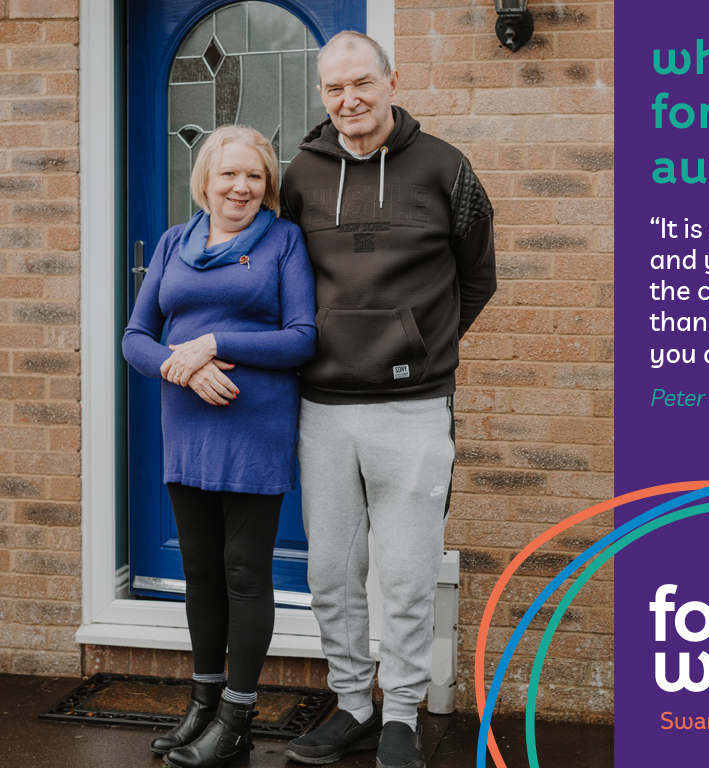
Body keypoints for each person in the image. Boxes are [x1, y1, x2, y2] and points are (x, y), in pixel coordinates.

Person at [279, 30, 496, 768]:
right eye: (334, 89)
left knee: (405, 573)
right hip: (323, 409)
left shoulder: (445, 170)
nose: (350, 101)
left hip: (414, 409)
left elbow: (477, 278)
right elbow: (281, 277)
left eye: (362, 84)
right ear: (322, 93)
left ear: (391, 80)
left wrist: (420, 345)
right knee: (330, 575)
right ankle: (350, 703)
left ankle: (400, 712)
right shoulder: (299, 176)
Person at [122, 125, 317, 768]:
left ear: (268, 185)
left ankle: (237, 715)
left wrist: (216, 344)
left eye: (255, 176)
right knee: (199, 570)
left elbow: (300, 339)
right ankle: (202, 705)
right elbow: (136, 337)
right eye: (229, 174)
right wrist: (181, 365)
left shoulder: (284, 241)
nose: (242, 187)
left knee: (243, 570)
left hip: (253, 426)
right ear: (204, 179)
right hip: (186, 424)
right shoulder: (177, 242)